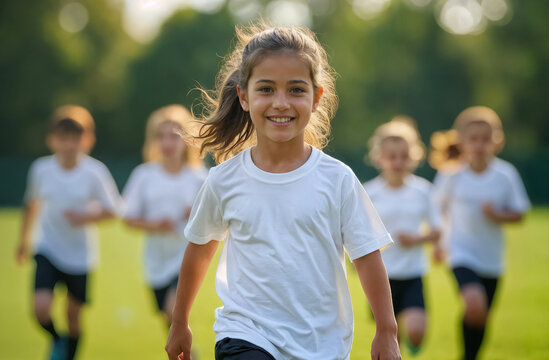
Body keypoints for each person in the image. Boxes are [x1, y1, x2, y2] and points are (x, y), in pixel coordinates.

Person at [165, 24, 401, 360]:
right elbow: (200, 251)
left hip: (322, 346)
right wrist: (180, 322)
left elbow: (366, 258)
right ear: (244, 97)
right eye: (266, 89)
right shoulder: (223, 180)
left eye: (295, 90)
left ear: (316, 98)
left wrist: (387, 331)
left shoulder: (337, 180)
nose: (280, 103)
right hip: (244, 334)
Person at [15, 114, 120, 360]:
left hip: (80, 255)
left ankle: (68, 354)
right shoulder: (41, 169)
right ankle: (56, 339)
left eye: (76, 139)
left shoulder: (95, 172)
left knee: (73, 317)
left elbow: (114, 210)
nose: (69, 145)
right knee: (40, 309)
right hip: (47, 248)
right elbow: (31, 204)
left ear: (88, 140)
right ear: (52, 140)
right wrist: (23, 241)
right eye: (63, 139)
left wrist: (85, 217)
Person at [433, 106, 530, 360]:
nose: (479, 145)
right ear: (462, 141)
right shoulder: (451, 174)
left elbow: (520, 213)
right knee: (474, 305)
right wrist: (438, 243)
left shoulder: (505, 174)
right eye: (473, 139)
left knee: (481, 315)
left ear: (497, 141)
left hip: (492, 258)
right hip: (460, 252)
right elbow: (437, 211)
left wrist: (498, 215)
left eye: (486, 139)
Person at [122, 105, 206, 328]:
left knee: (173, 310)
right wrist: (154, 225)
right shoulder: (144, 175)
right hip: (155, 262)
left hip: (186, 258)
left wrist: (196, 213)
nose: (167, 143)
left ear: (187, 139)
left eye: (174, 137)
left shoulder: (200, 178)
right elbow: (127, 218)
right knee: (168, 320)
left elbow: (216, 220)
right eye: (161, 137)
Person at [363, 117, 442, 355]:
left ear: (414, 156)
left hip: (413, 273)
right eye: (391, 156)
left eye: (404, 156)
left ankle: (412, 341)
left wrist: (417, 240)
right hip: (380, 276)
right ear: (379, 157)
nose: (398, 161)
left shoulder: (423, 190)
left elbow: (438, 231)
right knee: (389, 335)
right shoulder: (368, 192)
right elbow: (357, 232)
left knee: (416, 331)